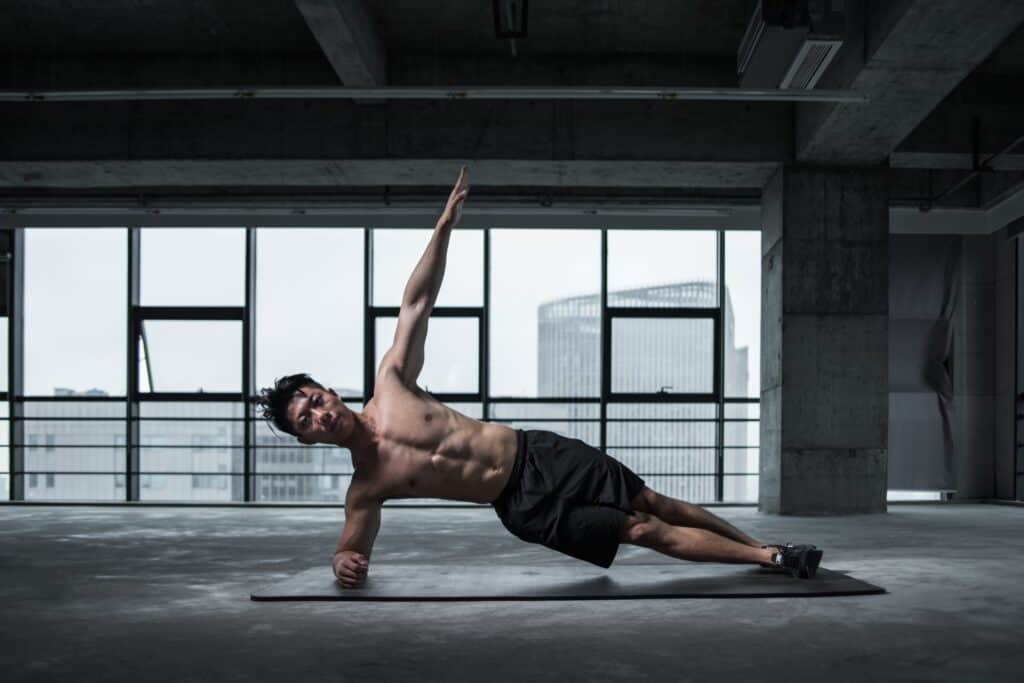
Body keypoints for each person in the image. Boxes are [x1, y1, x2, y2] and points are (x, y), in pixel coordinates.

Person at [257, 165, 823, 588]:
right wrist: (341, 562)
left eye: (314, 400)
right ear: (308, 440)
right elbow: (352, 547)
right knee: (640, 529)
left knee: (656, 502)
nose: (319, 414)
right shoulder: (367, 486)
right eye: (306, 421)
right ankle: (770, 557)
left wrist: (445, 224)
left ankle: (769, 551)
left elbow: (416, 302)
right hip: (522, 506)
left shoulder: (394, 384)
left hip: (539, 453)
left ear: (328, 390)